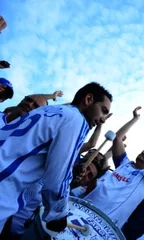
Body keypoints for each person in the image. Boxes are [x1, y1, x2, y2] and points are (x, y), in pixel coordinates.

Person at [0, 82, 112, 234]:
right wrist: (58, 214)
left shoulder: (51, 110)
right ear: (88, 99)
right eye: (103, 111)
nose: (103, 119)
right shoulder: (76, 120)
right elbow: (58, 176)